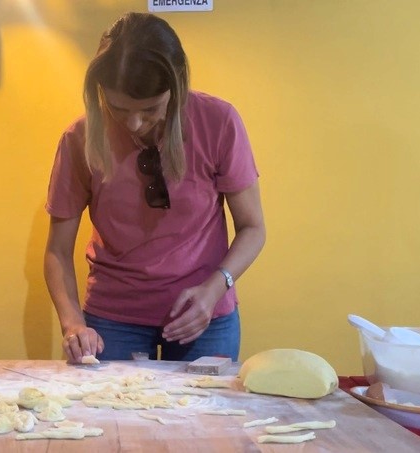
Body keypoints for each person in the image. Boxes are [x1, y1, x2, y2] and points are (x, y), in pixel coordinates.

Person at [44, 12, 265, 364]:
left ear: (176, 88)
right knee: (112, 419)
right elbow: (57, 251)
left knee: (205, 419)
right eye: (116, 107)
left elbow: (253, 228)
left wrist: (215, 287)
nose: (133, 122)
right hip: (112, 320)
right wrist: (72, 324)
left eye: (150, 109)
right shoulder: (79, 138)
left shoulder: (219, 122)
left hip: (204, 317)